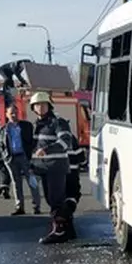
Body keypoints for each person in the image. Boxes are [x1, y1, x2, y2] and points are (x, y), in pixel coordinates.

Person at [28, 91, 78, 244]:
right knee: (53, 200)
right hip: (45, 169)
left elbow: (65, 141)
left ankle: (59, 232)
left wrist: (47, 150)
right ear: (33, 108)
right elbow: (35, 147)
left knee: (55, 201)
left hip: (56, 168)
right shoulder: (38, 125)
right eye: (37, 105)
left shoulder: (58, 122)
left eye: (43, 104)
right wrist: (32, 166)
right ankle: (69, 230)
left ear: (48, 106)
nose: (40, 107)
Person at [1, 105, 40, 216]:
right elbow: (2, 145)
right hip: (11, 158)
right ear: (7, 114)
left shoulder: (26, 126)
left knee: (32, 181)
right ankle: (19, 207)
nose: (14, 115)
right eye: (11, 113)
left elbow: (33, 140)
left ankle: (36, 206)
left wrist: (31, 154)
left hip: (24, 157)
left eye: (15, 112)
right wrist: (5, 158)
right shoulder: (4, 129)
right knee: (16, 183)